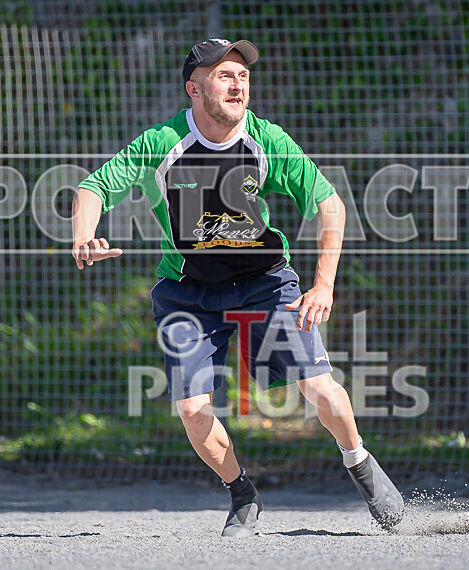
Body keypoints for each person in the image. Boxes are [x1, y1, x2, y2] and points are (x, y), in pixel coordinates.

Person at [71, 38, 404, 537]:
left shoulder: (266, 140)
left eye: (243, 75)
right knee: (191, 408)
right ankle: (243, 492)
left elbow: (329, 204)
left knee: (316, 386)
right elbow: (92, 188)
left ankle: (357, 461)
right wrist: (83, 238)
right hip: (188, 291)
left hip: (264, 283)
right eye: (224, 75)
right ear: (194, 87)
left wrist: (323, 286)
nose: (238, 83)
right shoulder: (161, 144)